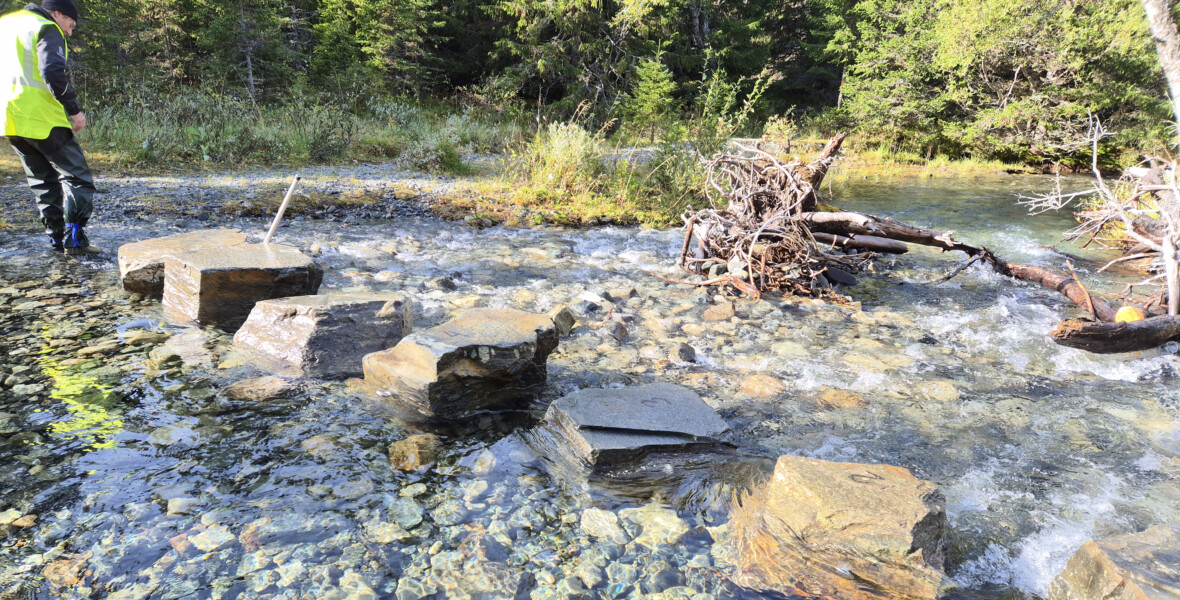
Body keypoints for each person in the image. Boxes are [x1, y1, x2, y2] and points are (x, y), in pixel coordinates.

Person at [0, 0, 100, 255]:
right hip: (42, 116)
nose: (69, 31)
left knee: (42, 182)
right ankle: (75, 240)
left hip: (9, 118)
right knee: (78, 178)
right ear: (58, 13)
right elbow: (53, 71)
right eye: (70, 24)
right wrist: (74, 110)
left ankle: (56, 239)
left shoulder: (6, 24)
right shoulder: (45, 26)